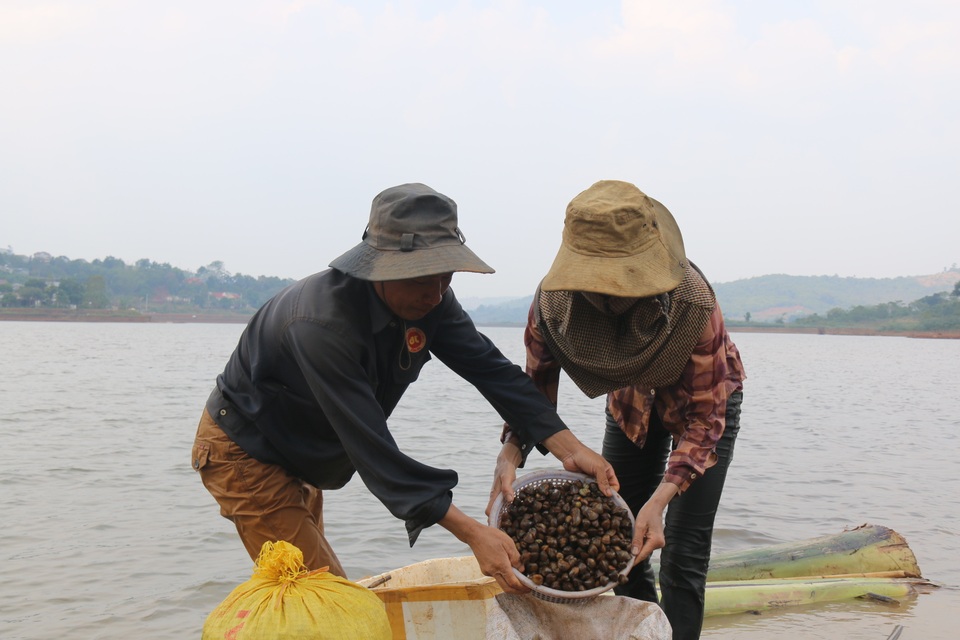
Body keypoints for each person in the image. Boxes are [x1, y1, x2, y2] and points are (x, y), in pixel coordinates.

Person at [191, 182, 618, 595]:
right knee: (324, 600)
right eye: (418, 279)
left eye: (445, 276)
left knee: (309, 586)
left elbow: (493, 371)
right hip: (247, 452)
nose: (434, 294)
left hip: (303, 451)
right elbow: (376, 452)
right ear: (377, 266)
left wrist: (569, 447)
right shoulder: (320, 327)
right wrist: (472, 533)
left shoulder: (432, 300)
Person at [488, 180, 745, 638]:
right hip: (629, 405)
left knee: (683, 553)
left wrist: (661, 501)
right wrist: (510, 452)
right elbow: (533, 396)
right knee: (627, 549)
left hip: (703, 412)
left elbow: (707, 419)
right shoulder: (554, 306)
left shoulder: (693, 305)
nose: (612, 296)